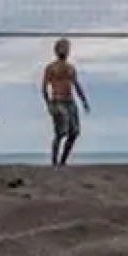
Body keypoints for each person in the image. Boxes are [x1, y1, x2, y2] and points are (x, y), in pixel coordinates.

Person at [41, 37, 91, 167]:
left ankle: (63, 161)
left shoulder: (70, 68)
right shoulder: (51, 67)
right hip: (57, 101)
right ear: (56, 50)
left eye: (66, 48)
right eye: (62, 48)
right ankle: (54, 161)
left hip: (70, 101)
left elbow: (76, 84)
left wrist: (84, 101)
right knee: (60, 132)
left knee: (74, 132)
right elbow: (44, 87)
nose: (64, 50)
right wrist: (49, 104)